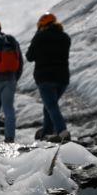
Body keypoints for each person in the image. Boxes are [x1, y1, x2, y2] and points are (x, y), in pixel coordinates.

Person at [26, 13, 71, 142]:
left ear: (42, 26)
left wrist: (37, 36)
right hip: (62, 77)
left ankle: (62, 132)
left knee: (51, 106)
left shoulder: (40, 37)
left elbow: (30, 56)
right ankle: (47, 132)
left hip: (45, 77)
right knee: (49, 105)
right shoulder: (65, 37)